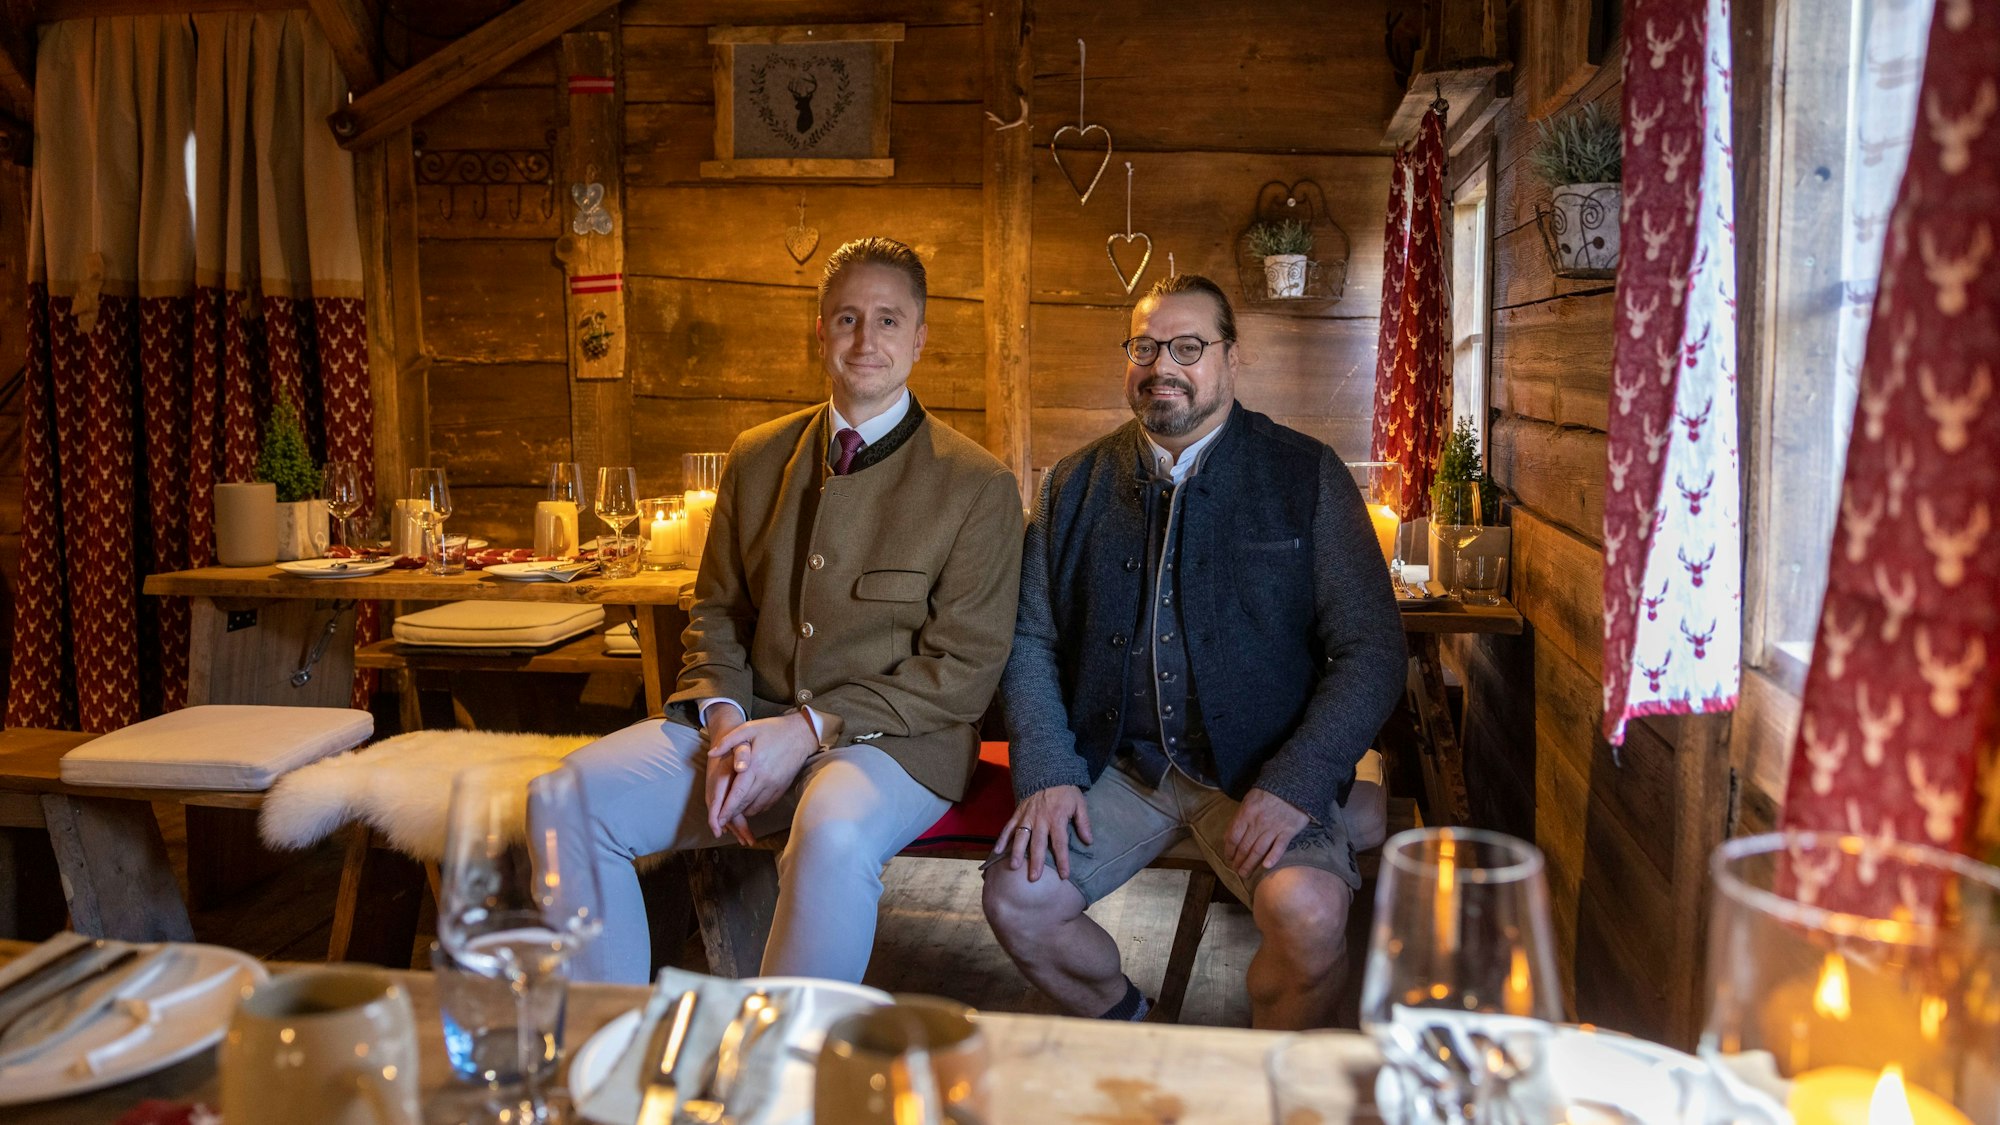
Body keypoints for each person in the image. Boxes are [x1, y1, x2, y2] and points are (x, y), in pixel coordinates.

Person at [565, 237, 1024, 985]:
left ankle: (785, 1055)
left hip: (899, 745)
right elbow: (717, 610)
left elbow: (964, 670)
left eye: (888, 320)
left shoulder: (978, 485)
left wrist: (806, 730)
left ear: (919, 338)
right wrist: (724, 723)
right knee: (565, 798)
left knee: (831, 832)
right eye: (846, 318)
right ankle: (603, 1038)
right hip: (749, 723)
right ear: (819, 332)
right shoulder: (756, 456)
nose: (865, 339)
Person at [983, 273, 1406, 1029]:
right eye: (1145, 347)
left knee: (1310, 917)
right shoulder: (1071, 483)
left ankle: (1262, 1076)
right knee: (1017, 899)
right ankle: (1136, 1029)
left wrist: (1300, 779)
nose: (1162, 367)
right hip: (1119, 767)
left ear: (1232, 359)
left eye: (1188, 347)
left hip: (1260, 770)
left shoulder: (1305, 475)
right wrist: (1046, 769)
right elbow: (1030, 638)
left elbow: (1372, 649)